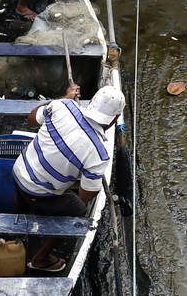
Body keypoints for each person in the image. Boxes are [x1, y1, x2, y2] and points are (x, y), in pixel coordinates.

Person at [12, 83, 127, 273]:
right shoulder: (99, 154)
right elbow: (86, 195)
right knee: (78, 208)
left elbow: (31, 119)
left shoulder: (63, 106)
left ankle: (15, 220)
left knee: (28, 181)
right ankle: (40, 258)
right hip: (37, 192)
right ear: (114, 120)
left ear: (92, 104)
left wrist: (64, 99)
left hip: (18, 170)